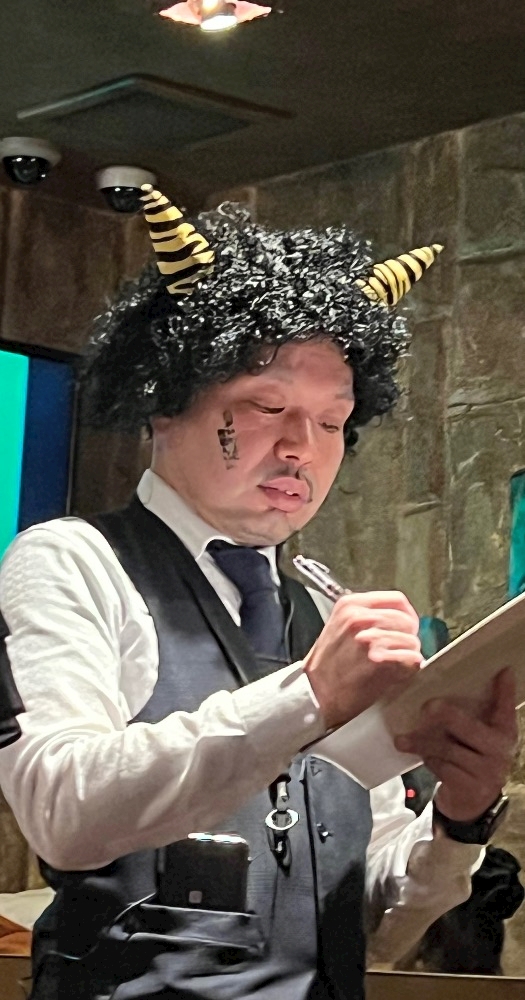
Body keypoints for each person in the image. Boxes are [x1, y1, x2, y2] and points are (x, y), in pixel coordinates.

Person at [0, 187, 517, 1000]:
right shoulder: (74, 561)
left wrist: (458, 820)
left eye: (331, 421)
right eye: (267, 406)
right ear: (162, 405)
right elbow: (62, 812)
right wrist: (308, 695)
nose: (301, 447)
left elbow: (376, 920)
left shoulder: (320, 609)